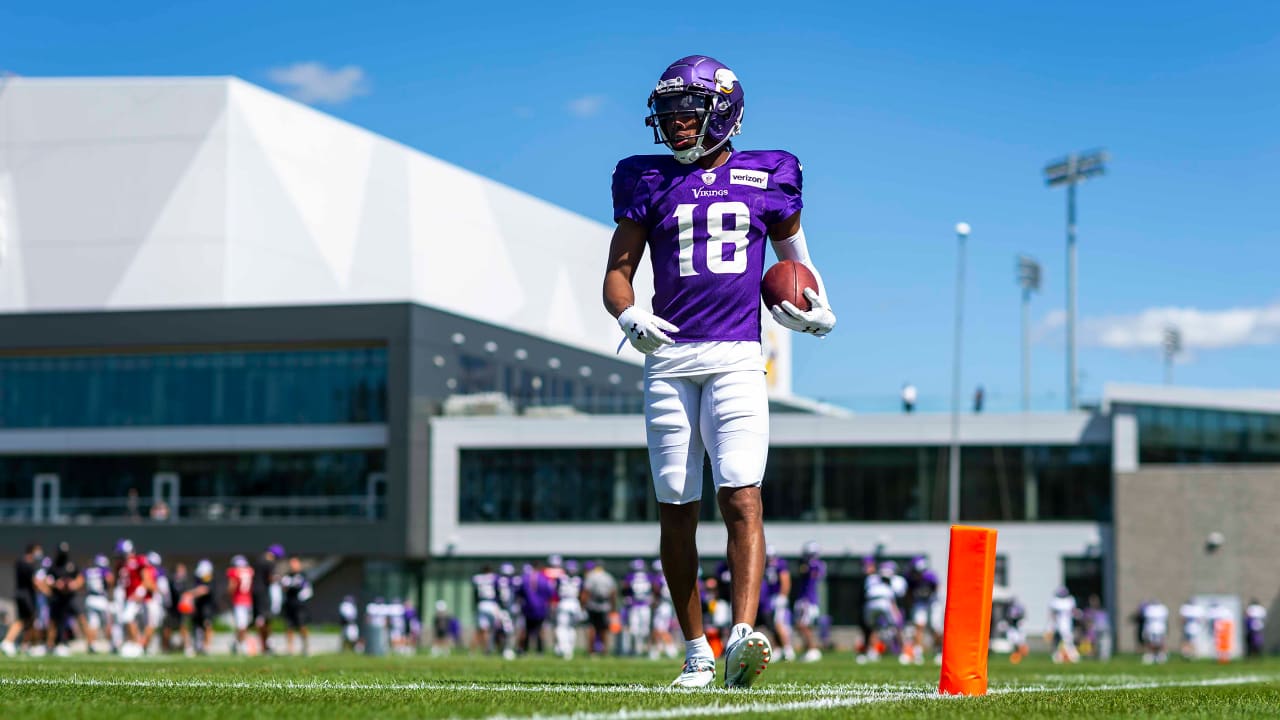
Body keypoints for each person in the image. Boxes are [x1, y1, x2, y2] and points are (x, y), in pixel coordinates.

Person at [602, 54, 835, 689]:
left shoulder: (771, 174)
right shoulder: (644, 179)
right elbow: (617, 274)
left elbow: (798, 265)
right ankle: (695, 650)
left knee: (742, 493)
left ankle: (740, 635)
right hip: (670, 359)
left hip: (736, 356)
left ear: (723, 111)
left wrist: (819, 310)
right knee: (676, 508)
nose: (676, 125)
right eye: (670, 115)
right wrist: (629, 319)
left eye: (688, 113)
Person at [2, 543, 43, 656]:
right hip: (26, 595)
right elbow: (35, 581)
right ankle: (8, 641)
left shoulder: (19, 562)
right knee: (24, 620)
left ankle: (26, 645)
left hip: (21, 594)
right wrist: (46, 589)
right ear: (32, 551)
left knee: (29, 621)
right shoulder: (27, 564)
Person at [45, 542, 83, 657]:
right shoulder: (53, 566)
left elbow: (80, 578)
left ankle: (91, 644)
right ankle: (50, 645)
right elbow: (48, 580)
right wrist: (57, 584)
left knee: (81, 617)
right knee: (53, 621)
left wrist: (73, 584)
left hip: (70, 598)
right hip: (57, 598)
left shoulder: (71, 564)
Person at [793, 542, 826, 662]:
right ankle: (809, 650)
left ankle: (812, 649)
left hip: (807, 599)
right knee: (806, 626)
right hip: (810, 599)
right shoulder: (819, 564)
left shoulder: (812, 565)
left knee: (801, 625)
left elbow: (804, 571)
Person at [759, 546, 794, 661]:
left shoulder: (780, 564)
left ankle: (788, 649)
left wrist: (782, 595)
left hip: (777, 597)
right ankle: (778, 649)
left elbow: (785, 580)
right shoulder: (765, 565)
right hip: (769, 598)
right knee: (772, 625)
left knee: (779, 623)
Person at [904, 556, 940, 664]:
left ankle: (939, 651)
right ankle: (918, 653)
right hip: (919, 602)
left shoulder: (930, 577)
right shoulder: (910, 577)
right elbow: (909, 592)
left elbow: (937, 589)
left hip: (932, 602)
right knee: (919, 626)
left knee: (935, 627)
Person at [581, 561, 617, 657]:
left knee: (591, 628)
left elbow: (586, 592)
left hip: (592, 605)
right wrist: (613, 608)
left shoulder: (591, 576)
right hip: (605, 606)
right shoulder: (608, 577)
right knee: (604, 629)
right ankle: (604, 651)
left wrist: (582, 606)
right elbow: (613, 593)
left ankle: (591, 651)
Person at [252, 544, 283, 654]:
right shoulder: (270, 563)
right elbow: (270, 578)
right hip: (263, 593)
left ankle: (264, 645)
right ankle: (266, 645)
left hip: (255, 592)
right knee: (265, 619)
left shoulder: (258, 560)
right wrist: (279, 579)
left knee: (260, 618)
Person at [82, 554, 115, 654]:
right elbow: (110, 580)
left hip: (90, 599)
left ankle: (91, 645)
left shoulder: (88, 571)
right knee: (107, 623)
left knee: (93, 624)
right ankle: (112, 645)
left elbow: (80, 583)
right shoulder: (104, 571)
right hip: (101, 599)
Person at [280, 556, 312, 656]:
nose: (292, 565)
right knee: (289, 627)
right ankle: (290, 649)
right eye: (291, 563)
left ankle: (305, 646)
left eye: (295, 563)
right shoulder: (287, 576)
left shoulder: (303, 575)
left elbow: (308, 590)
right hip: (289, 604)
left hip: (300, 605)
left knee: (302, 626)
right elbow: (284, 588)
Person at [553, 559, 584, 659]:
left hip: (564, 603)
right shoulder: (579, 579)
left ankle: (564, 648)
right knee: (571, 628)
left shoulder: (560, 578)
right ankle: (569, 650)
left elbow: (555, 592)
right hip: (575, 604)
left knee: (562, 627)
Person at [226, 555, 255, 654]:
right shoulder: (250, 571)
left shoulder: (234, 572)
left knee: (243, 626)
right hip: (245, 601)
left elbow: (231, 587)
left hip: (241, 601)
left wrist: (229, 596)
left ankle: (236, 642)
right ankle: (242, 645)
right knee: (242, 626)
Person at [1048, 587, 1080, 664]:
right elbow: (1053, 615)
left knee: (1067, 641)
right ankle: (1062, 656)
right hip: (1059, 626)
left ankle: (1069, 656)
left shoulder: (1069, 601)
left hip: (1066, 625)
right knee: (1061, 642)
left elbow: (1074, 612)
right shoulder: (1056, 602)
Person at [1141, 599, 1169, 664]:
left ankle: (1160, 655)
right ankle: (1152, 655)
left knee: (1160, 643)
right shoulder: (1149, 609)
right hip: (1152, 628)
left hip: (1159, 628)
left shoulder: (1161, 609)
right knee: (1151, 643)